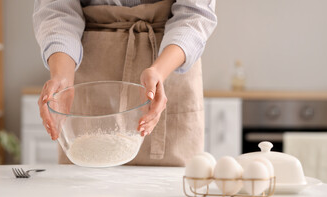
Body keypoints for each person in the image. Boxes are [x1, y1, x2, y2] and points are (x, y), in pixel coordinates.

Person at [33, 0, 217, 166]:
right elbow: (57, 11)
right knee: (86, 195)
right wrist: (62, 77)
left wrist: (159, 72)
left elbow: (194, 13)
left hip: (169, 64)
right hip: (91, 69)